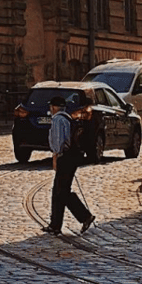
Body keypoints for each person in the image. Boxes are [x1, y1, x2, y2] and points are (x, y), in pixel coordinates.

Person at [43, 95, 95, 236]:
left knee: (62, 192)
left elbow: (60, 141)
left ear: (54, 107)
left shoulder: (58, 120)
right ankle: (55, 225)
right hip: (71, 157)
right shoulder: (67, 118)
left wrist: (55, 156)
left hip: (64, 158)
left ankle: (85, 216)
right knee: (58, 191)